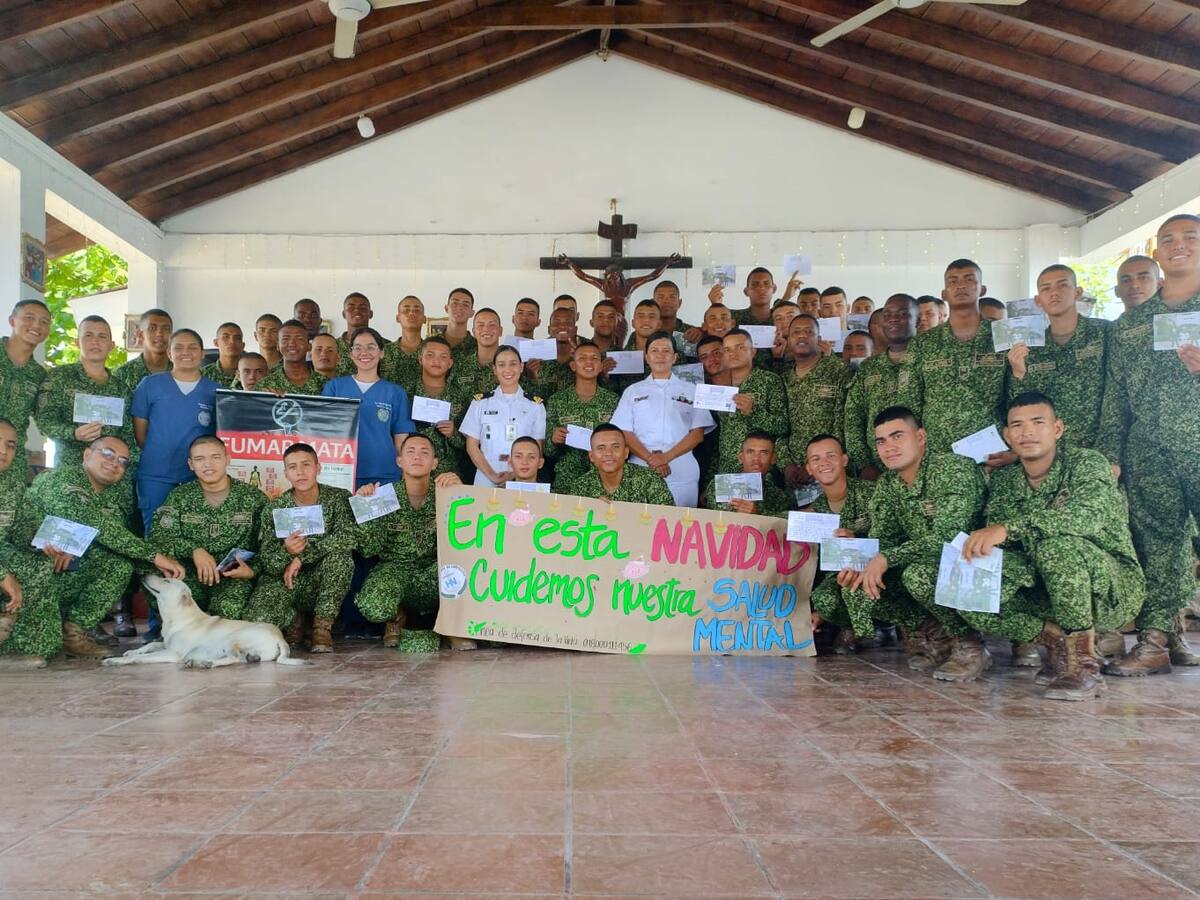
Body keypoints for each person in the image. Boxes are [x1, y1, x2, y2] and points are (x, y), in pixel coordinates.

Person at [960, 392, 1145, 700]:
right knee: (969, 575)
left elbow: (1085, 517)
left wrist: (1008, 529)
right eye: (1016, 425)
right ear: (1006, 435)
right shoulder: (1006, 480)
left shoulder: (1087, 463)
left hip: (1110, 588)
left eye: (1038, 422)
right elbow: (1004, 547)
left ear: (1057, 428)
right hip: (1043, 580)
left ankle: (1085, 667)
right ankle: (1059, 645)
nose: (1027, 432)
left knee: (1056, 547)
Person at [1099, 213, 1200, 676]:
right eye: (1169, 240)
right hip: (1148, 451)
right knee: (1159, 546)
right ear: (1158, 252)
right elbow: (1115, 395)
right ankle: (1157, 638)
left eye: (1190, 238)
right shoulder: (1132, 325)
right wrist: (1112, 454)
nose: (1178, 245)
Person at [842, 407, 990, 680]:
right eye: (881, 441)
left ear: (920, 437)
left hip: (978, 562)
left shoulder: (951, 469)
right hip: (926, 561)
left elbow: (949, 537)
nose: (889, 447)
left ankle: (971, 645)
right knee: (858, 584)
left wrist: (885, 559)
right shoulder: (888, 484)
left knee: (918, 576)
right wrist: (860, 563)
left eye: (897, 436)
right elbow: (884, 537)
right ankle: (939, 636)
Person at [8, 436, 184, 659]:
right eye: (108, 454)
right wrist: (155, 556)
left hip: (66, 570)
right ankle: (27, 621)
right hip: (28, 571)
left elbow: (117, 539)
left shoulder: (115, 495)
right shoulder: (59, 479)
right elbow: (95, 523)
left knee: (120, 565)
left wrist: (155, 566)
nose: (115, 463)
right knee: (38, 650)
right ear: (87, 454)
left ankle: (73, 633)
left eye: (123, 461)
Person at [804, 434, 916, 653]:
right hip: (844, 575)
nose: (824, 463)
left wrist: (860, 545)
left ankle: (898, 625)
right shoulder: (816, 511)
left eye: (831, 456)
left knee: (863, 587)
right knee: (824, 598)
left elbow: (900, 535)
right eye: (816, 459)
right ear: (808, 468)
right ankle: (854, 626)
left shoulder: (872, 493)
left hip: (886, 570)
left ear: (844, 460)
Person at [353, 435, 465, 651]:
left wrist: (462, 492)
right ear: (399, 461)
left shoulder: (448, 493)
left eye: (425, 452)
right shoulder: (381, 496)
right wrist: (367, 508)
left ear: (435, 463)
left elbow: (470, 538)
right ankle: (398, 618)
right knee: (372, 605)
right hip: (395, 570)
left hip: (438, 570)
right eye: (410, 451)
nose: (417, 457)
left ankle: (453, 626)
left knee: (470, 571)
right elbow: (368, 549)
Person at [244, 443, 355, 653]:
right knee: (256, 620)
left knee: (340, 557)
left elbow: (348, 537)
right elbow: (267, 562)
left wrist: (302, 557)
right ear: (285, 473)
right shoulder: (274, 508)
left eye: (306, 465)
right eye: (292, 467)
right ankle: (292, 620)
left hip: (321, 581)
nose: (300, 472)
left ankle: (321, 627)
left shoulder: (339, 498)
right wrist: (286, 551)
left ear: (318, 468)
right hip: (286, 581)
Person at [899, 260, 1011, 468]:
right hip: (937, 457)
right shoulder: (923, 343)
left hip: (994, 455)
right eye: (953, 281)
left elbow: (1018, 395)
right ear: (944, 293)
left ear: (982, 289)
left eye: (969, 280)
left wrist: (1015, 450)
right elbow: (908, 401)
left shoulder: (1002, 336)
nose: (960, 286)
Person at [149, 435, 264, 620]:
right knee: (153, 575)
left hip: (233, 577)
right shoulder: (179, 496)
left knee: (227, 611)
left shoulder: (253, 498)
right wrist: (194, 550)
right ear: (190, 464)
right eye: (199, 459)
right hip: (191, 574)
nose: (208, 464)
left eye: (215, 457)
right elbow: (160, 538)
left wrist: (253, 571)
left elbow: (268, 544)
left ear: (228, 459)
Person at [1007, 264, 1109, 451]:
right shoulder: (1032, 348)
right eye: (1046, 289)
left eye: (1062, 285)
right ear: (1038, 300)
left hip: (1098, 450)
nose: (1054, 293)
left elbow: (1118, 394)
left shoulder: (1104, 333)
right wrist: (1019, 372)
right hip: (1049, 453)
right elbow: (1025, 404)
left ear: (1077, 292)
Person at [610, 331, 713, 507]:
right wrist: (652, 459)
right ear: (646, 357)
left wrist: (666, 457)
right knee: (641, 522)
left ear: (674, 357)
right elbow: (623, 432)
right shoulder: (633, 391)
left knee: (682, 525)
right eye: (654, 351)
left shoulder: (692, 390)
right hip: (641, 466)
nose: (660, 356)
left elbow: (698, 434)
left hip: (681, 467)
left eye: (666, 351)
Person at [132, 328, 219, 532]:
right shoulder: (150, 385)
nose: (185, 352)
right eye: (178, 348)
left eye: (192, 347)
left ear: (202, 353)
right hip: (156, 474)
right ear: (169, 354)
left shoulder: (216, 390)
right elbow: (140, 435)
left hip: (197, 476)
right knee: (155, 532)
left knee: (193, 532)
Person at [35, 315, 135, 473]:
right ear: (77, 343)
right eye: (88, 335)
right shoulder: (59, 378)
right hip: (70, 472)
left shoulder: (121, 390)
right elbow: (44, 421)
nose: (95, 341)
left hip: (111, 475)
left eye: (102, 336)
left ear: (112, 345)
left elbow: (129, 436)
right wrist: (73, 433)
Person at [322, 326, 415, 488]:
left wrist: (404, 471)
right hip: (342, 472)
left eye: (371, 347)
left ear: (382, 352)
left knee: (384, 514)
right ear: (351, 354)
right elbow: (320, 431)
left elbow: (401, 438)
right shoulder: (334, 387)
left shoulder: (395, 392)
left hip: (384, 473)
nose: (364, 352)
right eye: (357, 348)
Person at [844, 294, 917, 478]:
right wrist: (864, 464)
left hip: (921, 467)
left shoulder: (928, 361)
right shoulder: (869, 367)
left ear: (918, 320)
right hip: (875, 470)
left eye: (902, 314)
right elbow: (853, 417)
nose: (893, 319)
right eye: (887, 315)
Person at [0, 419, 52, 668]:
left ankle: (8, 646)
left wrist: (45, 543)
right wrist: (2, 575)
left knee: (38, 562)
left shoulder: (11, 485)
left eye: (10, 446)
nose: (3, 451)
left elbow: (25, 530)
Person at [776, 315, 851, 487]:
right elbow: (780, 427)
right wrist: (786, 465)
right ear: (788, 339)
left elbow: (844, 420)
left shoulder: (838, 370)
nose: (802, 336)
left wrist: (815, 464)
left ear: (818, 338)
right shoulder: (784, 378)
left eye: (809, 332)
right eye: (796, 332)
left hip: (830, 468)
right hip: (793, 472)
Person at [460, 345, 546, 487]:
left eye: (513, 364)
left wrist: (514, 474)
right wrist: (492, 475)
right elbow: (472, 446)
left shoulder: (535, 406)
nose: (508, 369)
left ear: (521, 367)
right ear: (494, 369)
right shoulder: (480, 403)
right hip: (486, 474)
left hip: (522, 476)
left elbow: (537, 447)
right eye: (501, 365)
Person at [709, 329, 788, 479]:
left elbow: (783, 426)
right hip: (727, 470)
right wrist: (711, 477)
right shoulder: (722, 386)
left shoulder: (769, 381)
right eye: (727, 349)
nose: (733, 353)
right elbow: (721, 435)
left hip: (761, 471)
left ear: (752, 352)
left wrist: (754, 412)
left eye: (740, 347)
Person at [544, 340, 619, 492]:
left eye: (594, 358)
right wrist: (554, 439)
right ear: (573, 366)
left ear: (600, 366)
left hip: (603, 480)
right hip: (567, 481)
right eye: (582, 358)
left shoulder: (613, 401)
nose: (588, 362)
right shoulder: (557, 401)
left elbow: (622, 443)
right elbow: (547, 451)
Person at [0, 299, 50, 472]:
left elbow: (46, 420)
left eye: (44, 322)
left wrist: (76, 431)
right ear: (12, 321)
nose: (37, 325)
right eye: (29, 317)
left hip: (11, 464)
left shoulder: (40, 376)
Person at [567, 424, 674, 504]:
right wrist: (591, 509)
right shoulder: (580, 487)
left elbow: (668, 520)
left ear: (626, 452)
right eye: (601, 448)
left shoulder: (650, 480)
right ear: (591, 456)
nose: (608, 453)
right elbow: (571, 526)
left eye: (615, 446)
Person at [408, 336, 468, 478]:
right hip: (411, 472)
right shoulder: (405, 393)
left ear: (450, 363)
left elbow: (470, 444)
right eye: (430, 355)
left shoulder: (460, 397)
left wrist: (453, 434)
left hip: (447, 475)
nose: (436, 361)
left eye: (443, 356)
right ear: (420, 359)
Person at [704, 431, 791, 517]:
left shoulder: (777, 496)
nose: (756, 459)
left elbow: (786, 522)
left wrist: (758, 513)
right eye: (750, 452)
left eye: (764, 453)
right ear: (741, 457)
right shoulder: (720, 485)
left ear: (773, 459)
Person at [112, 308, 172, 396]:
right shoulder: (122, 374)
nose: (159, 333)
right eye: (152, 328)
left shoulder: (182, 373)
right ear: (140, 335)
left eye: (165, 328)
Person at [256, 320, 327, 394]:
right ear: (278, 346)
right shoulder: (265, 386)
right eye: (285, 339)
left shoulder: (325, 384)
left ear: (309, 346)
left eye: (299, 339)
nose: (292, 344)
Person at [526, 306, 578, 400]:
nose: (562, 326)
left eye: (568, 322)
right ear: (549, 329)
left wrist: (580, 361)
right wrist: (531, 376)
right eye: (557, 322)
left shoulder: (585, 354)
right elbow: (528, 397)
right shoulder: (535, 356)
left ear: (575, 329)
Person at [450, 307, 505, 396]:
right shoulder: (459, 365)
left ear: (500, 331)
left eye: (492, 325)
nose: (486, 329)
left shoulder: (511, 365)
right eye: (480, 325)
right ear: (474, 332)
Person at [381, 295, 426, 391]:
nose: (411, 313)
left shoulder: (432, 353)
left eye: (417, 310)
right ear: (398, 318)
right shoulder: (383, 352)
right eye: (406, 310)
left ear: (424, 319)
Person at [708, 267, 775, 326]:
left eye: (766, 283)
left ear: (774, 289)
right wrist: (716, 304)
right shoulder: (733, 317)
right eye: (755, 284)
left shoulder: (780, 317)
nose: (761, 288)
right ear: (746, 292)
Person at [337, 292, 387, 371]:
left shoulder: (386, 346)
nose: (357, 310)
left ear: (370, 314)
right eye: (351, 308)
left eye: (363, 308)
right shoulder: (333, 346)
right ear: (344, 314)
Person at [200, 322, 244, 387]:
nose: (232, 341)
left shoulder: (251, 374)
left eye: (237, 338)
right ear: (216, 343)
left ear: (243, 345)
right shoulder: (202, 376)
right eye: (226, 337)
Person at [444, 287, 476, 356]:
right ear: (446, 308)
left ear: (472, 313)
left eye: (465, 305)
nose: (459, 308)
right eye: (455, 303)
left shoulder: (477, 347)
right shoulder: (431, 343)